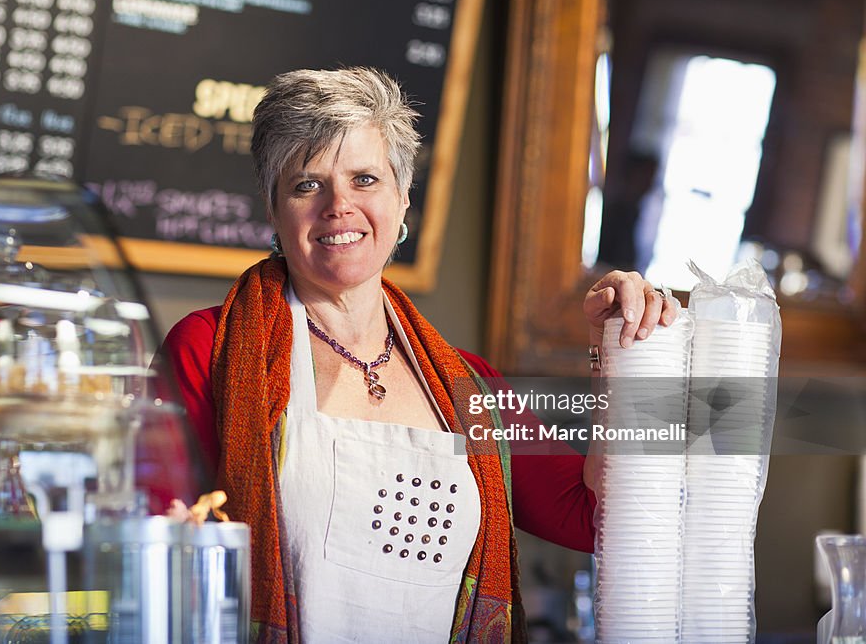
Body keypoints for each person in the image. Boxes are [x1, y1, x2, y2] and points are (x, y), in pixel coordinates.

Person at [159, 67, 676, 642]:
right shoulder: (212, 350)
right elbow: (159, 537)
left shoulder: (470, 386)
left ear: (404, 200)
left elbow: (592, 517)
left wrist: (621, 352)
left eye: (364, 179)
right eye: (307, 184)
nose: (339, 206)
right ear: (274, 210)